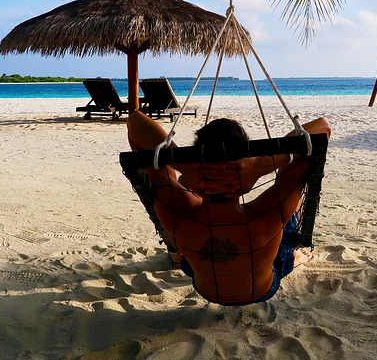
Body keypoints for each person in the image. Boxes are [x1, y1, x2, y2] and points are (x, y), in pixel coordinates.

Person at [127, 110, 331, 305]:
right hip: (262, 289)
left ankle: (183, 253)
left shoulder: (178, 211)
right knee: (292, 208)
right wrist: (261, 165)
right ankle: (292, 259)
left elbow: (135, 121)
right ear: (244, 166)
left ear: (196, 163)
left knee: (180, 184)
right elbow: (322, 128)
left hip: (206, 288)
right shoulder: (268, 214)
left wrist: (183, 166)